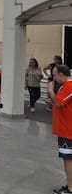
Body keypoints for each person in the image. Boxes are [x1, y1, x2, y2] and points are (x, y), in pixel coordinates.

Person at [47, 65, 72, 194]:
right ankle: (69, 185)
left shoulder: (69, 86)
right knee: (67, 158)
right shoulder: (65, 86)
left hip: (68, 129)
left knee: (68, 159)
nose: (54, 79)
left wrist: (51, 91)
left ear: (62, 74)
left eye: (55, 75)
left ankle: (70, 188)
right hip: (65, 128)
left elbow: (58, 102)